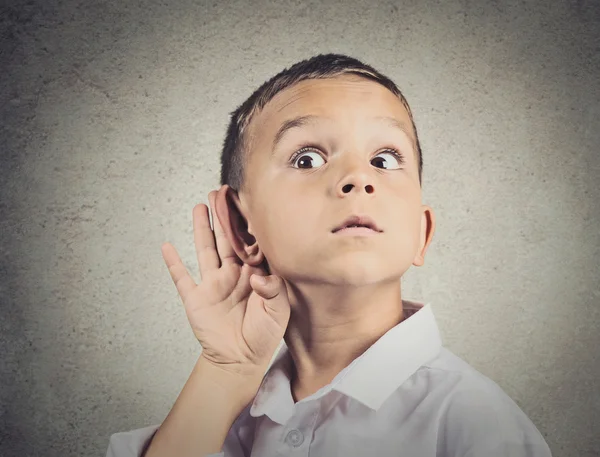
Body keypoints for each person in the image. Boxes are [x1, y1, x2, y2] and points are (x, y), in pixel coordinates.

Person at [105, 53, 553, 457]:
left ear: (421, 231)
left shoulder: (476, 423)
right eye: (307, 159)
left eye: (385, 159)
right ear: (243, 227)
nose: (359, 178)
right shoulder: (219, 420)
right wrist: (225, 371)